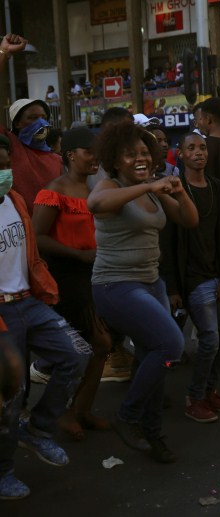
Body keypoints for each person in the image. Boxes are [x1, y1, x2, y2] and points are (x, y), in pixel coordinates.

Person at [88, 121, 199, 463]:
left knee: (160, 358)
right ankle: (129, 414)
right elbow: (96, 204)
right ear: (115, 160)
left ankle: (151, 433)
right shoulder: (111, 185)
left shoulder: (152, 189)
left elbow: (190, 221)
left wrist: (178, 192)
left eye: (144, 153)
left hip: (152, 283)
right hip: (116, 285)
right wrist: (148, 184)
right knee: (171, 345)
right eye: (130, 154)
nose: (139, 158)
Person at [0, 134, 87, 499]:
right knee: (10, 392)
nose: (3, 171)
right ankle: (3, 471)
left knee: (77, 355)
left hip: (29, 302)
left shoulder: (15, 199)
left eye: (5, 164)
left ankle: (37, 429)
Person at [30, 127, 113, 440]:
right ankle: (62, 413)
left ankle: (80, 410)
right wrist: (78, 256)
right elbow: (37, 239)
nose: (95, 158)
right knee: (86, 347)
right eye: (88, 151)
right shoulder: (54, 190)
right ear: (70, 155)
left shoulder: (94, 189)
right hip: (66, 278)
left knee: (100, 345)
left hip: (93, 275)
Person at [160, 133, 220, 423]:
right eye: (191, 148)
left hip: (218, 276)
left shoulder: (218, 189)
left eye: (202, 147)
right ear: (180, 154)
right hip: (191, 279)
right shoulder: (173, 192)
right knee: (210, 340)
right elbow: (167, 244)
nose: (198, 153)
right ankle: (194, 396)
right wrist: (173, 287)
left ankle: (210, 390)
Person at [0, 34, 63, 214]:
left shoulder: (57, 160)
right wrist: (4, 53)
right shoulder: (13, 148)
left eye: (43, 117)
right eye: (32, 118)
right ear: (18, 123)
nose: (41, 122)